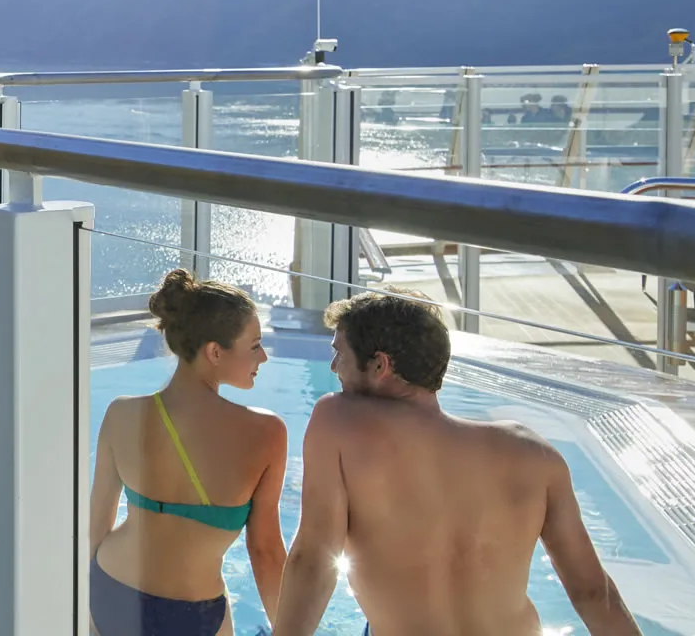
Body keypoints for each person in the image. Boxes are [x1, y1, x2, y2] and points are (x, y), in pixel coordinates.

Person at [273, 290, 640, 636]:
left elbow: (313, 561)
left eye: (340, 353)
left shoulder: (337, 419)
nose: (334, 366)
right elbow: (593, 593)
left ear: (380, 364)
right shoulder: (533, 453)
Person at [90, 269, 289, 635]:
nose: (263, 358)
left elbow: (96, 528)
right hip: (193, 611)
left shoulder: (121, 413)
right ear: (215, 352)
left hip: (111, 590)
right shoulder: (266, 433)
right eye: (255, 346)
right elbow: (265, 552)